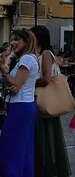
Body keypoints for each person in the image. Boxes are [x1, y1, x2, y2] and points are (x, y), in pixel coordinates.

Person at [32, 26, 71, 177]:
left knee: (46, 137)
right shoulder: (43, 54)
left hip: (45, 102)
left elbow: (46, 78)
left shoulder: (46, 54)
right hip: (47, 103)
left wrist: (29, 83)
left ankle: (48, 168)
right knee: (48, 137)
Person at [0, 29, 40, 177]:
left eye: (17, 40)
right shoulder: (27, 58)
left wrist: (3, 71)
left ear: (26, 42)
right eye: (12, 39)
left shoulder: (27, 59)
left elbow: (16, 86)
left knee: (10, 148)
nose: (12, 43)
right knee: (23, 149)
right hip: (23, 106)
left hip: (20, 107)